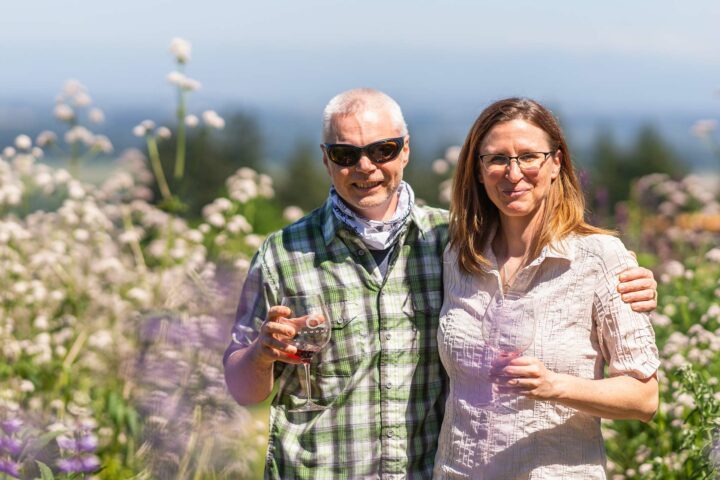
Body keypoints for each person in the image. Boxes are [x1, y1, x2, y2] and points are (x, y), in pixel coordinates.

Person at [223, 89, 658, 480]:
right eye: (345, 155)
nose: (366, 167)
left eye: (383, 149)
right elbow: (243, 390)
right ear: (325, 158)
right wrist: (262, 354)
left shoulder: (446, 242)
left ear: (405, 151)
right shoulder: (287, 253)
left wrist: (628, 282)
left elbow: (641, 391)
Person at [433, 97, 660, 479]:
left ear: (556, 163)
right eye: (498, 159)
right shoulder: (457, 255)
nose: (513, 172)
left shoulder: (599, 258)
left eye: (529, 156)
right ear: (478, 169)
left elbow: (644, 398)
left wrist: (554, 385)